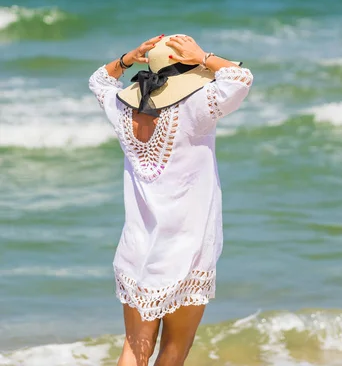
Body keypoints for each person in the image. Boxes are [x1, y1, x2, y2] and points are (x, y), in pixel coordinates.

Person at [88, 34, 253, 366]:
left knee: (135, 349)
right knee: (174, 351)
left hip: (136, 248)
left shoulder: (120, 107)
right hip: (187, 250)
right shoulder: (197, 106)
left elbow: (99, 80)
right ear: (190, 73)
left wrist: (128, 59)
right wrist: (204, 56)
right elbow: (240, 77)